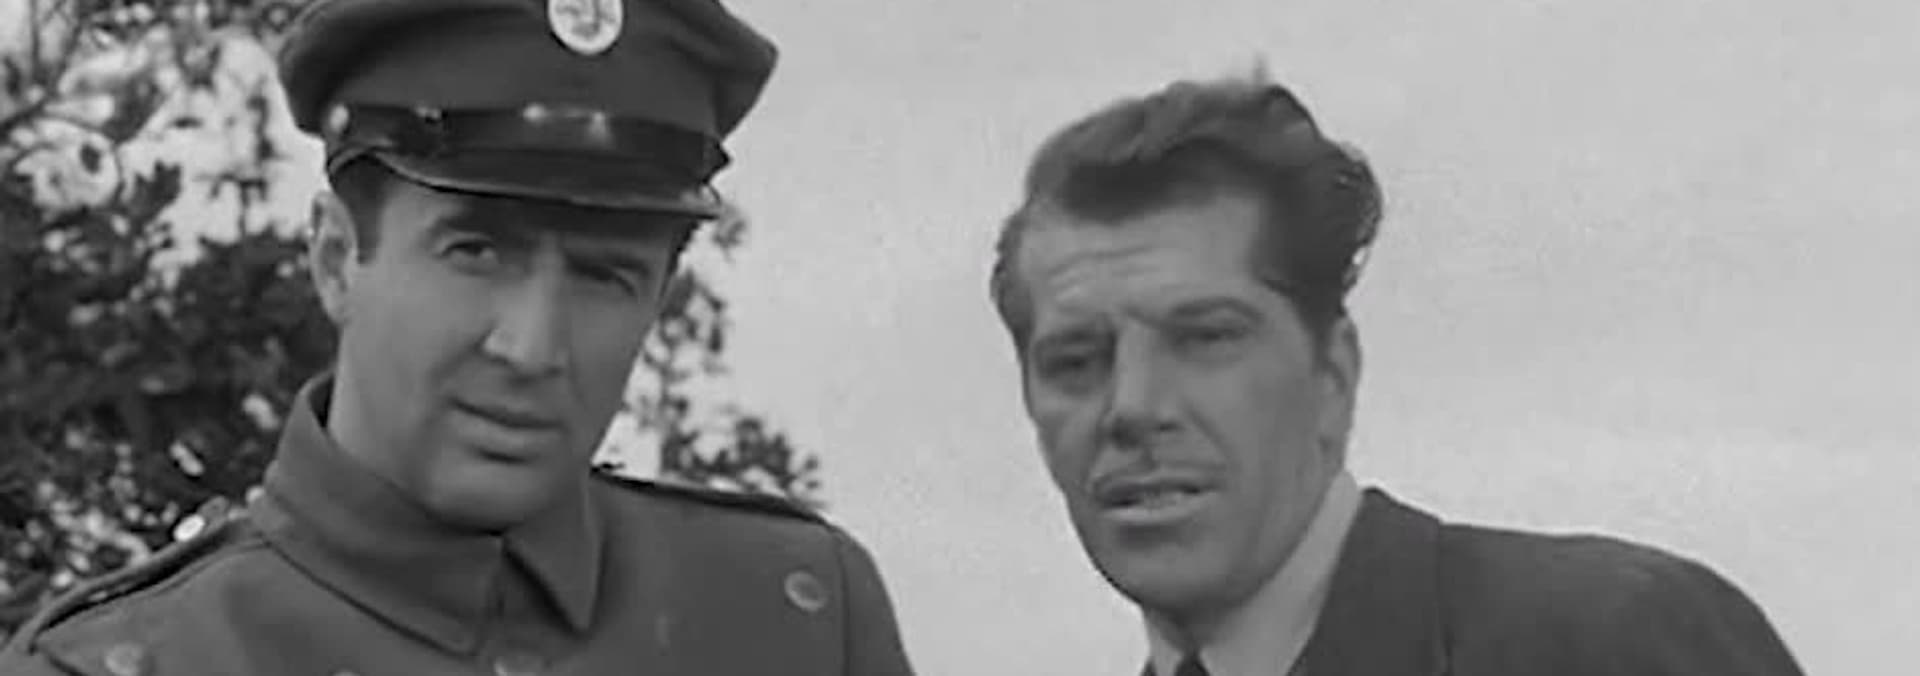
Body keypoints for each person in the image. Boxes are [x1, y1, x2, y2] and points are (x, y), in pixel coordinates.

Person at [0, 0, 915, 674]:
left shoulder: (795, 619)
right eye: (475, 251)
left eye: (605, 275)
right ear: (336, 259)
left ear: (659, 299)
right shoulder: (133, 664)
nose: (532, 347)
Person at [985, 68, 1803, 676]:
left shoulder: (1614, 643)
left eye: (1205, 338)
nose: (1132, 405)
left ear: (1333, 376)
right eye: (1075, 361)